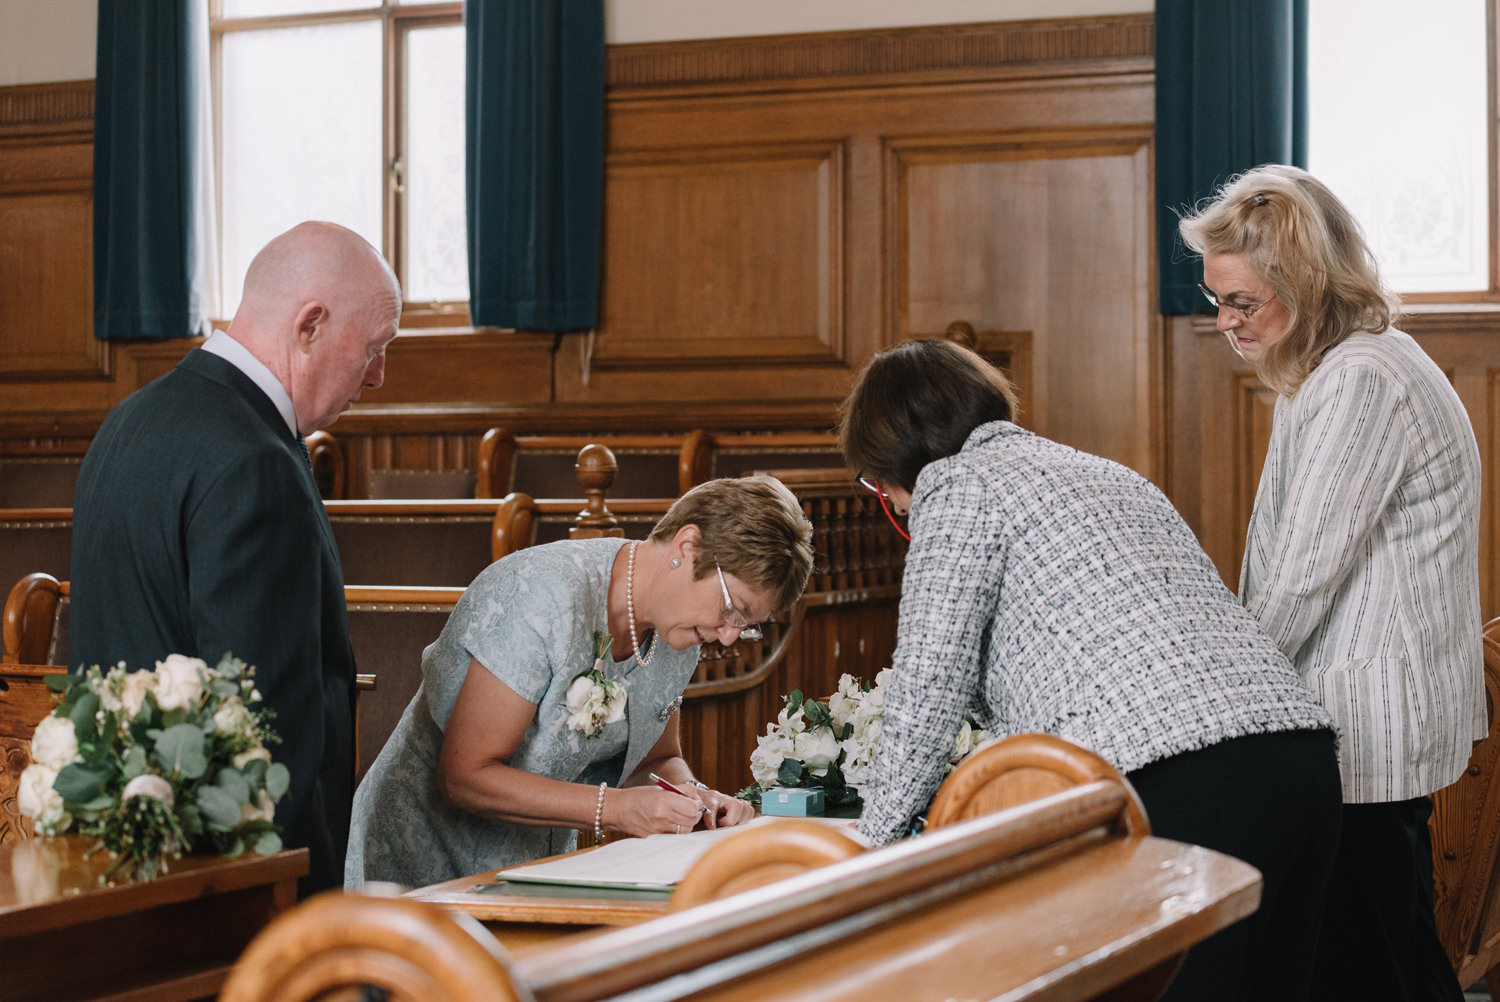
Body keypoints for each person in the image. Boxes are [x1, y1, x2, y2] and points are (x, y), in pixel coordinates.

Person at [840, 338, 1341, 1002]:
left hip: (1184, 781)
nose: (894, 505)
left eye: (878, 485)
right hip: (1299, 762)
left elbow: (929, 685)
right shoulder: (1103, 470)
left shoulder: (956, 482)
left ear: (894, 454)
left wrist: (859, 861)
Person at [1179, 164, 1483, 1001]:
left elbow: (1300, 579)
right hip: (1357, 721)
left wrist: (1220, 706)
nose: (1226, 322)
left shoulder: (1360, 380)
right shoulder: (1347, 369)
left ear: (1306, 284)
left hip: (1365, 729)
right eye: (1217, 299)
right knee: (1387, 962)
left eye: (1243, 301)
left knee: (1376, 970)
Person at [70, 221, 401, 896]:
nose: (378, 375)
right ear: (309, 325)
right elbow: (266, 736)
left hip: (126, 861)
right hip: (231, 890)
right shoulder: (256, 461)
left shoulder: (129, 419)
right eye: (373, 347)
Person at [345, 476, 815, 889]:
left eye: (749, 623)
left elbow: (658, 758)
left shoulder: (680, 636)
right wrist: (616, 809)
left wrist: (694, 799)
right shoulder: (543, 595)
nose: (730, 634)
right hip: (418, 868)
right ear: (687, 547)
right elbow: (465, 777)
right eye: (734, 608)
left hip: (536, 871)